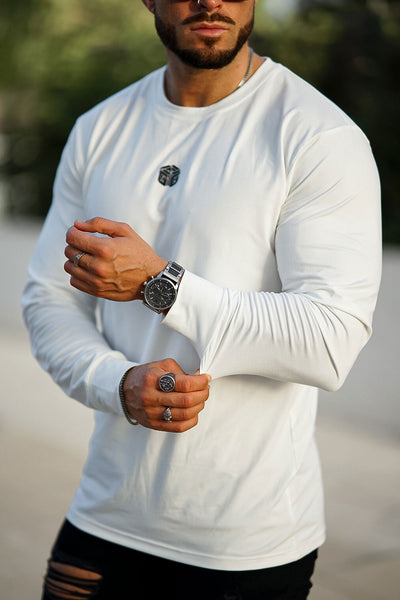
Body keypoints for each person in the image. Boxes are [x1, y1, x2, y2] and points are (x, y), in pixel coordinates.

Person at [22, 0, 382, 598]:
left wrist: (161, 284)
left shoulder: (318, 134)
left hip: (245, 547)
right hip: (105, 516)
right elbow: (49, 299)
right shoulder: (100, 128)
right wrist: (117, 383)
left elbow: (330, 340)